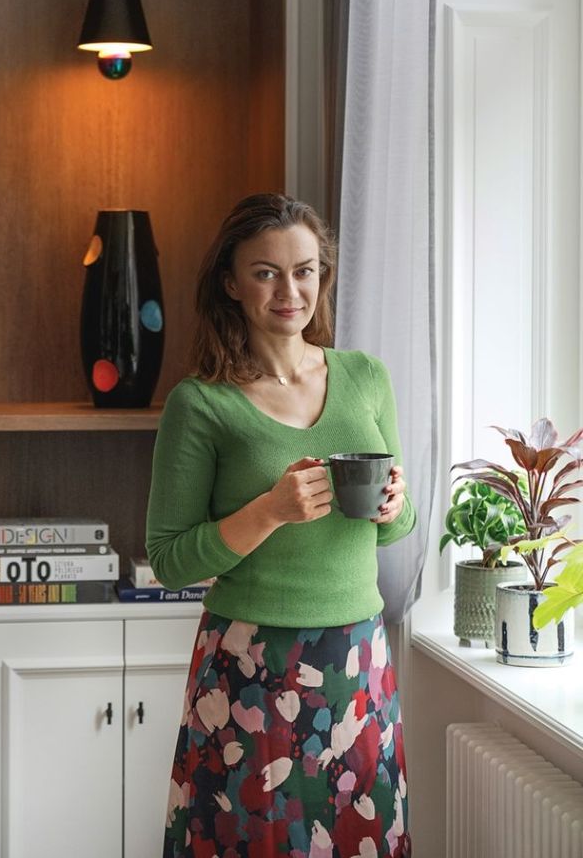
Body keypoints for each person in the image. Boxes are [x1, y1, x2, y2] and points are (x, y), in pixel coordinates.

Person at [146, 193, 415, 858]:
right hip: (250, 665)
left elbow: (395, 525)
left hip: (357, 658)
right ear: (232, 282)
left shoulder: (366, 376)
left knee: (361, 842)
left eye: (304, 269)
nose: (290, 289)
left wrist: (394, 504)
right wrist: (270, 509)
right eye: (266, 271)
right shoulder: (200, 402)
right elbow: (170, 558)